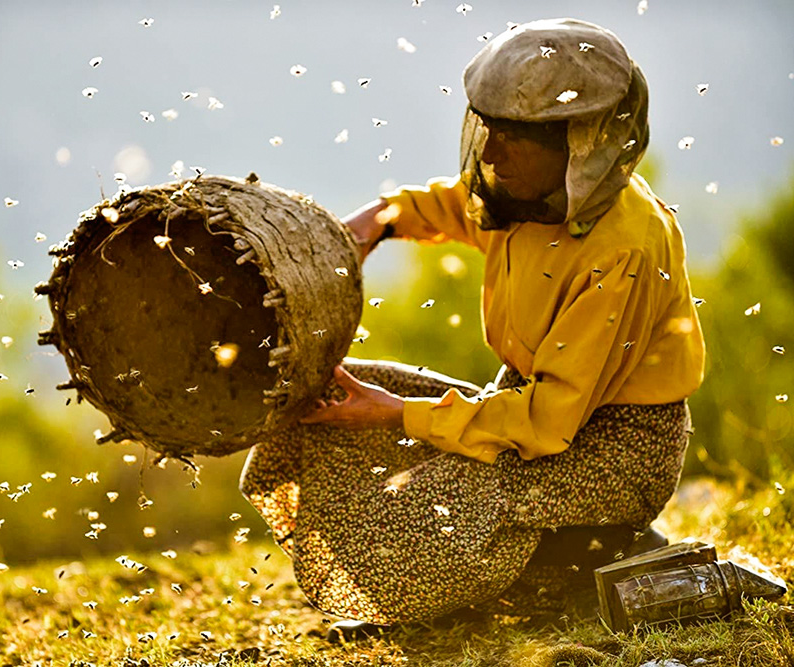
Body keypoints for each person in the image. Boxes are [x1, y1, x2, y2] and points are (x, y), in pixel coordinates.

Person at [239, 18, 705, 637]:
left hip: (614, 450)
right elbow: (454, 205)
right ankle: (550, 560)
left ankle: (589, 552)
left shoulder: (624, 249)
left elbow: (545, 421)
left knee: (429, 505)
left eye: (514, 137)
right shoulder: (527, 193)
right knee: (330, 401)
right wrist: (377, 222)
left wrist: (392, 415)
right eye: (490, 129)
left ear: (582, 139)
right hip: (528, 410)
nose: (489, 153)